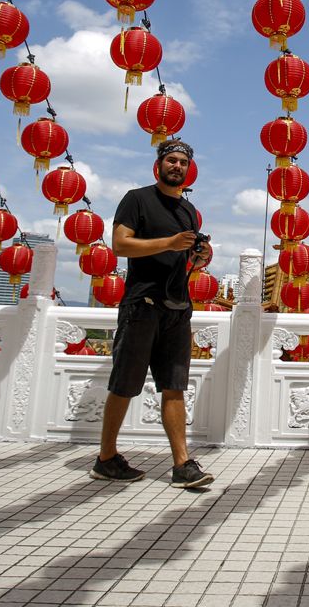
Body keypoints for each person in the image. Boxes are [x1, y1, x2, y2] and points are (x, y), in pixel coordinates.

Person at [90, 140, 215, 488]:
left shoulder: (188, 210)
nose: (177, 166)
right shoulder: (137, 199)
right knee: (125, 384)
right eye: (171, 160)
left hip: (178, 307)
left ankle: (182, 464)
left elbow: (186, 255)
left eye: (182, 163)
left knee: (174, 387)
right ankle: (106, 458)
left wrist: (200, 255)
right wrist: (169, 243)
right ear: (158, 165)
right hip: (142, 304)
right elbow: (119, 244)